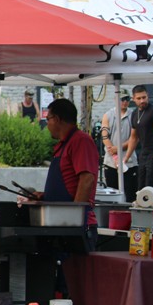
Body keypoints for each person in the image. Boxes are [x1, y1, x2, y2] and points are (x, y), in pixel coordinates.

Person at [27, 99, 98, 251]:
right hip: (59, 224)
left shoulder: (81, 141)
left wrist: (74, 220)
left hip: (76, 227)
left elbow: (87, 179)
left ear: (57, 119)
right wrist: (47, 196)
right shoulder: (63, 144)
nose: (47, 125)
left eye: (48, 120)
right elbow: (68, 182)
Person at [124, 85, 153, 192]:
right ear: (133, 99)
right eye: (139, 98)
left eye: (144, 97)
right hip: (144, 153)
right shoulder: (134, 114)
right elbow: (134, 137)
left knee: (150, 186)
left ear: (147, 96)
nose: (142, 100)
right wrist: (126, 158)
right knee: (140, 186)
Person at [100, 90, 138, 202]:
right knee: (112, 193)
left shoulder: (134, 115)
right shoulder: (108, 115)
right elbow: (105, 135)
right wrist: (113, 151)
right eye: (122, 99)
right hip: (111, 162)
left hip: (129, 161)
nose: (124, 102)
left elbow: (134, 137)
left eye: (127, 99)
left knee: (130, 194)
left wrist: (119, 147)